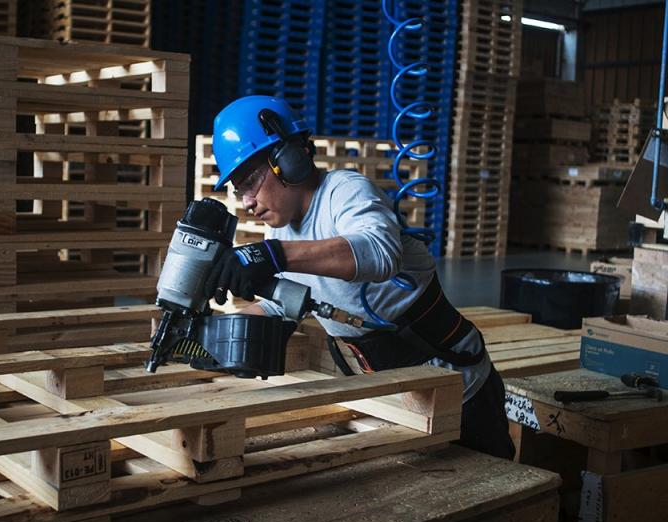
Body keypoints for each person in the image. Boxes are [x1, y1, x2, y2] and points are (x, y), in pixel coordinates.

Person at [203, 95, 515, 460]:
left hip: (458, 387)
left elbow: (379, 252)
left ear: (287, 160)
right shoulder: (281, 233)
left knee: (493, 484)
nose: (247, 202)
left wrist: (271, 257)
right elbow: (280, 305)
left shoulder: (344, 192)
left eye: (249, 182)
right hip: (391, 396)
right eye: (239, 190)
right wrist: (206, 331)